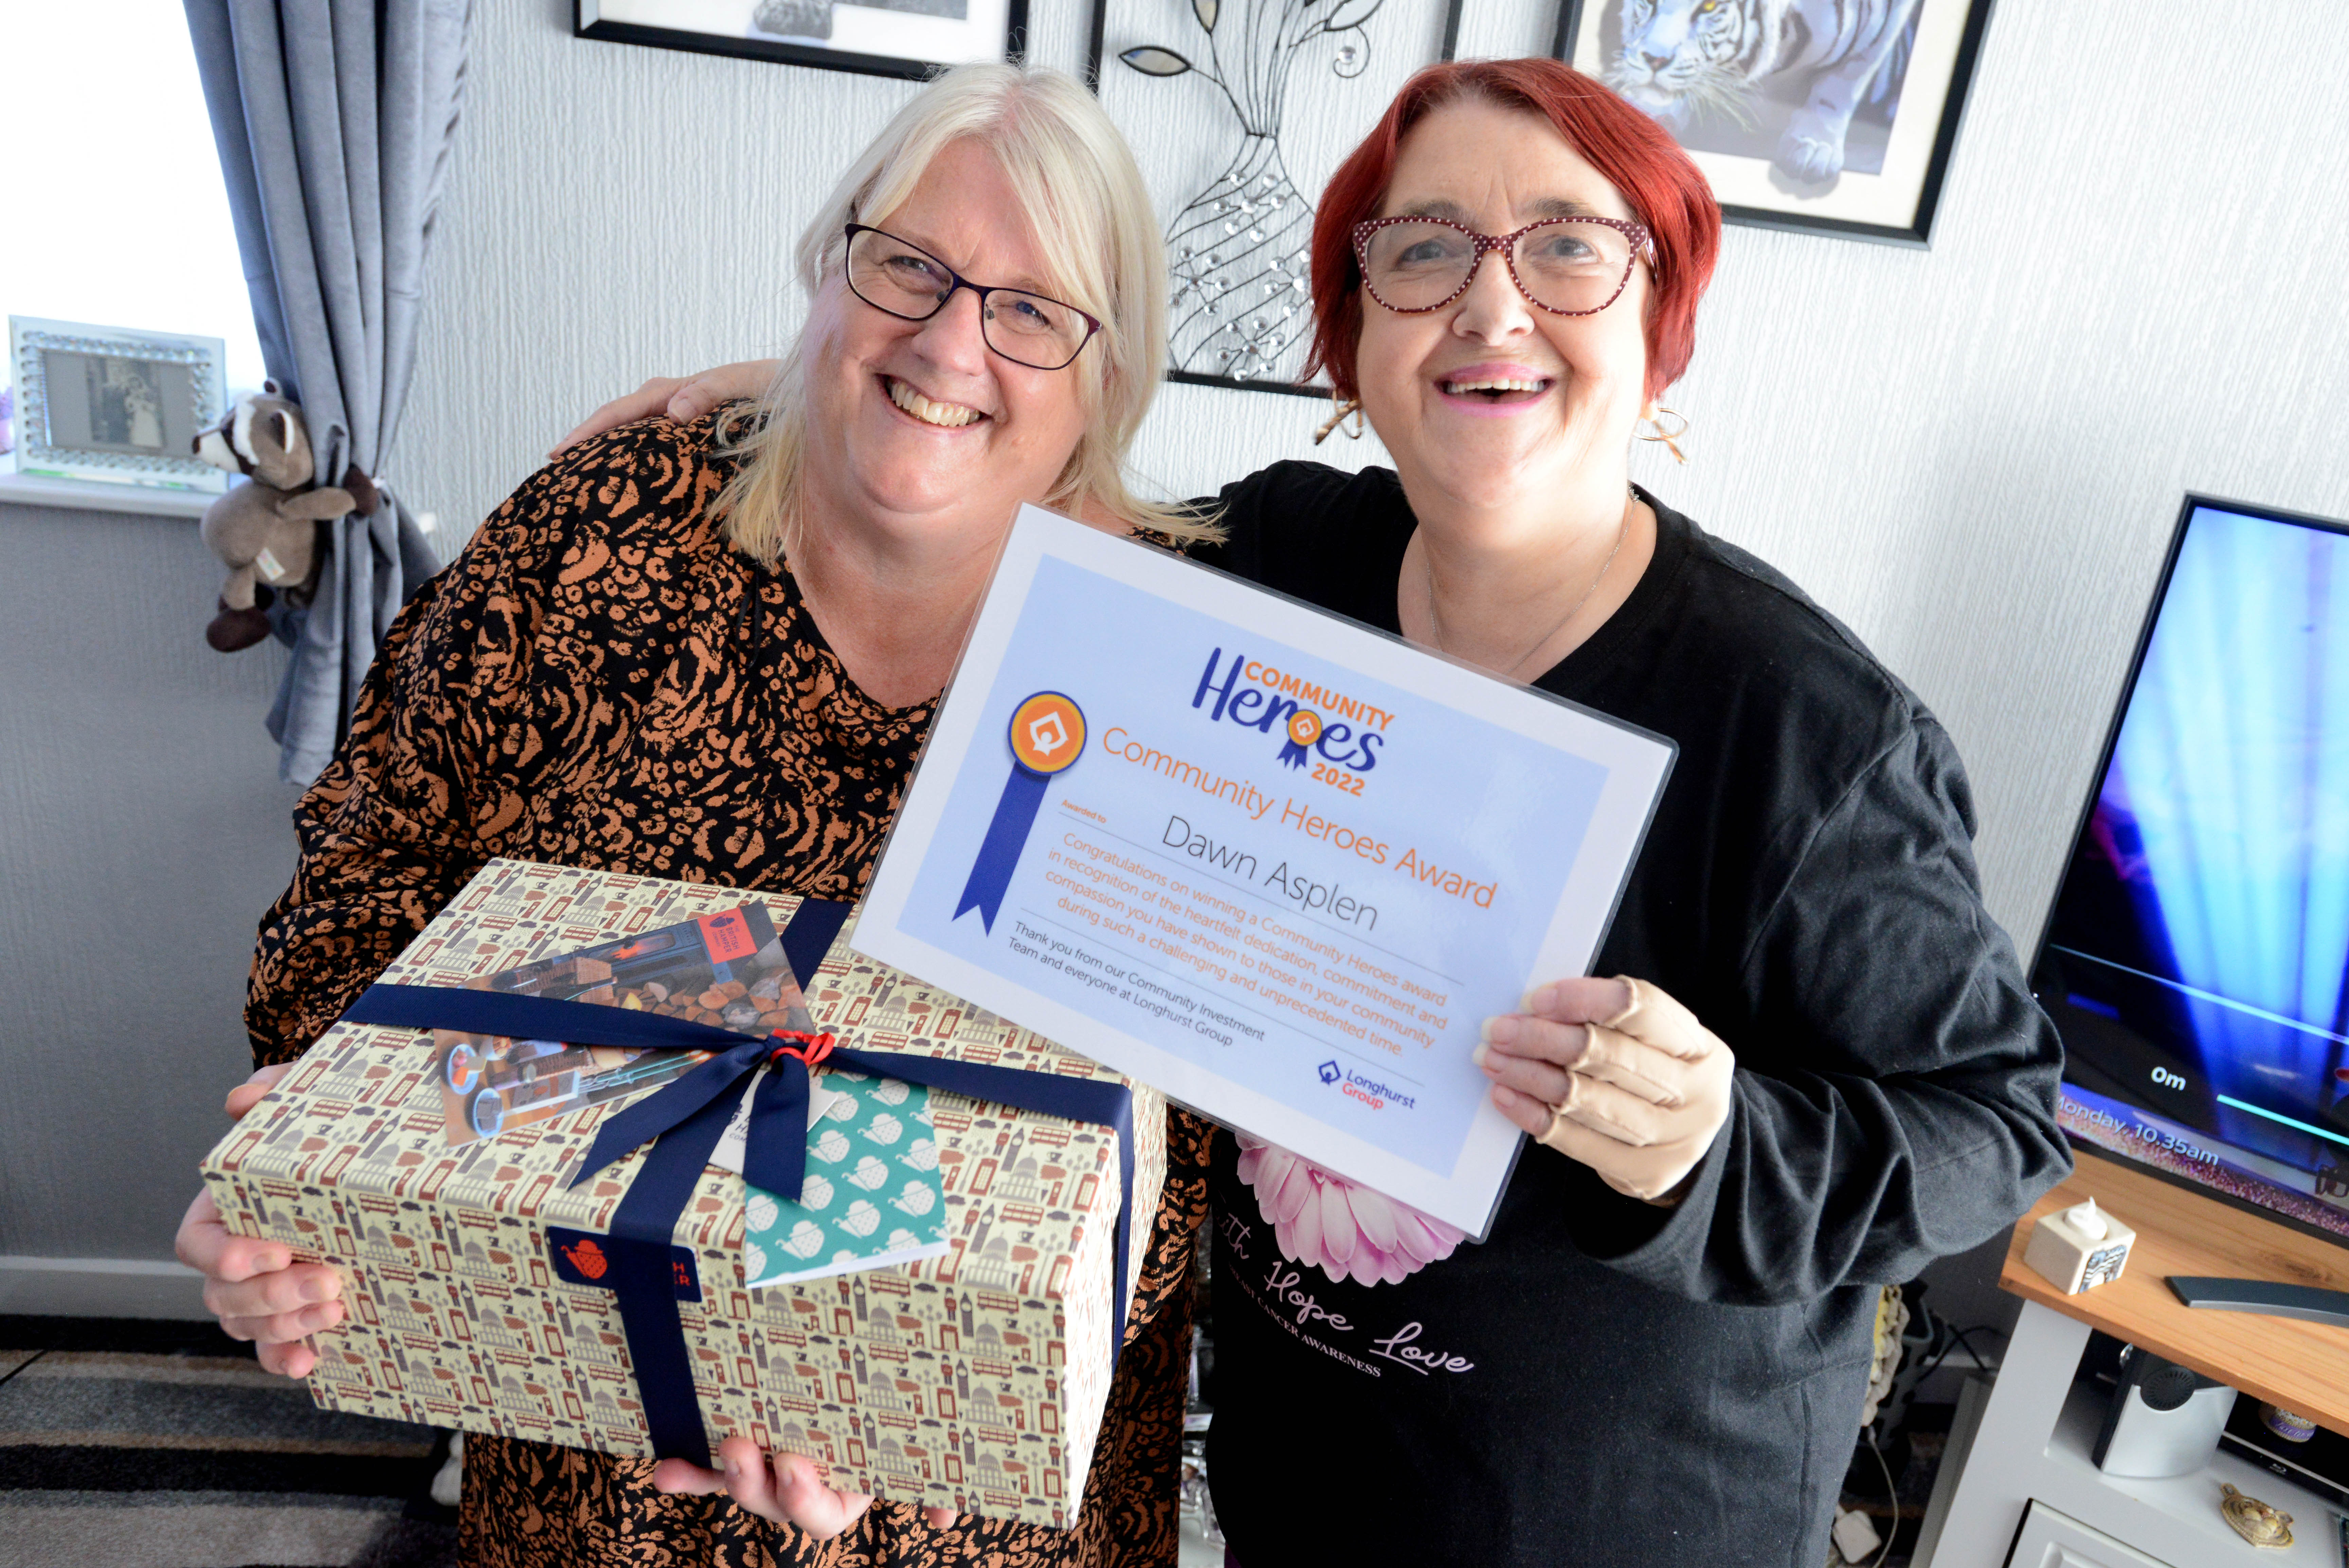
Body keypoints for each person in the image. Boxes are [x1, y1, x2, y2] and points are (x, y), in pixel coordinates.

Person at [557, 58, 2079, 1567]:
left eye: (1565, 245)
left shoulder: (1807, 731)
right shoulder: (1286, 562)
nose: (1490, 308)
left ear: (1658, 319)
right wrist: (823, 382)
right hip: (1296, 1491)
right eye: (1422, 252)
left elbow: (1995, 1123)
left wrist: (1716, 1138)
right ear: (1352, 342)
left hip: (1616, 1523)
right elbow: (1048, 463)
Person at [174, 64, 1222, 1568]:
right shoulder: (604, 526)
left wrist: (854, 1345)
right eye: (907, 264)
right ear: (828, 264)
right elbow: (371, 858)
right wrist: (343, 1142)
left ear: (1106, 376)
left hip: (968, 1488)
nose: (946, 338)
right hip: (584, 1436)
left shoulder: (1170, 664)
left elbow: (1191, 1131)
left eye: (1032, 308)